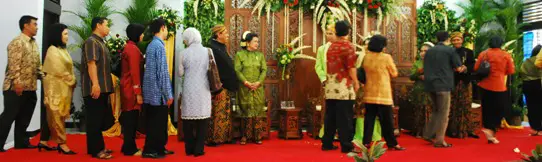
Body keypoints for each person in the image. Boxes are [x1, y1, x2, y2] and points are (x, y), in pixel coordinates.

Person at [0, 15, 41, 152]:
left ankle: (21, 142)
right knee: (9, 116)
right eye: (34, 24)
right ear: (26, 25)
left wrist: (46, 76)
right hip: (15, 88)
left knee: (25, 116)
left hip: (30, 87)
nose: (37, 27)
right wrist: (17, 83)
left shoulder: (33, 43)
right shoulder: (17, 42)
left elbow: (37, 66)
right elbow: (14, 65)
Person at [362, 35, 405, 151]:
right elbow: (394, 73)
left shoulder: (366, 57)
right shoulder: (386, 57)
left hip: (369, 93)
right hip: (383, 93)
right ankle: (392, 143)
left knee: (369, 120)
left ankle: (366, 142)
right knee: (387, 121)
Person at [320, 21, 358, 153]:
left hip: (330, 86)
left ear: (336, 32)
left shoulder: (331, 46)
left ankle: (327, 143)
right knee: (345, 118)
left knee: (330, 116)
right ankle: (346, 145)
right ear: (348, 31)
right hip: (343, 87)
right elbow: (351, 67)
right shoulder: (348, 46)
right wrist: (356, 82)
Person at [39, 23, 77, 155]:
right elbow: (60, 70)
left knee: (52, 116)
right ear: (58, 35)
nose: (67, 37)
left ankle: (43, 141)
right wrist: (72, 80)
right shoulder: (52, 51)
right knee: (56, 114)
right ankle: (62, 143)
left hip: (63, 87)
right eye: (65, 34)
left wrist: (72, 78)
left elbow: (69, 68)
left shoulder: (62, 49)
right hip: (54, 88)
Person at [423, 31, 464, 148]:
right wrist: (463, 68)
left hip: (430, 84)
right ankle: (440, 140)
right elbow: (458, 68)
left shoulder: (429, 51)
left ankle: (428, 134)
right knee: (444, 113)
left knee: (436, 110)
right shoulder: (450, 50)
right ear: (448, 40)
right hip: (443, 84)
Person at [81, 17, 114, 159]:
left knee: (99, 118)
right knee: (95, 119)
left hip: (103, 87)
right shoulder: (91, 42)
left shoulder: (101, 42)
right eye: (106, 25)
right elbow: (91, 63)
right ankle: (96, 150)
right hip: (94, 87)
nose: (108, 28)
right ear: (98, 25)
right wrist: (95, 84)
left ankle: (96, 146)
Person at [142, 18, 174, 159]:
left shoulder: (152, 45)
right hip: (157, 93)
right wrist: (168, 94)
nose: (167, 32)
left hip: (151, 91)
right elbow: (162, 73)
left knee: (158, 123)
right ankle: (150, 149)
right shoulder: (159, 46)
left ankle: (159, 148)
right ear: (162, 28)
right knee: (156, 123)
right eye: (166, 28)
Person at [474, 36, 515, 144]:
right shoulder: (506, 55)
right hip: (499, 85)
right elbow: (511, 70)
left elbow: (476, 68)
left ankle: (488, 129)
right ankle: (491, 130)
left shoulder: (483, 54)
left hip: (484, 85)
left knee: (487, 108)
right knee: (500, 108)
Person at [179, 28, 212, 157]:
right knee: (202, 119)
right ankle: (199, 149)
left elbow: (180, 73)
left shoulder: (183, 53)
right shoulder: (208, 51)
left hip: (189, 88)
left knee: (187, 119)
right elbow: (212, 69)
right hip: (204, 87)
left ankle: (189, 149)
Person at [207, 24, 239, 146]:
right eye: (225, 33)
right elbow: (213, 70)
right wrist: (217, 88)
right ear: (218, 34)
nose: (227, 35)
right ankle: (215, 139)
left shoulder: (221, 47)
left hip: (227, 85)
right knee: (218, 113)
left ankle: (225, 137)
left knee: (226, 113)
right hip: (219, 87)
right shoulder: (212, 48)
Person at [234, 31, 267, 145]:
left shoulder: (260, 55)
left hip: (258, 88)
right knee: (245, 111)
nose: (257, 43)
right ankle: (244, 136)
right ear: (248, 43)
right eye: (255, 41)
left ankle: (257, 136)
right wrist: (246, 82)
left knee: (257, 111)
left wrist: (258, 82)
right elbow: (237, 70)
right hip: (245, 88)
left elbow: (264, 70)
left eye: (258, 41)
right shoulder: (240, 55)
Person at [120, 23, 145, 156]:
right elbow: (135, 73)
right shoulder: (133, 50)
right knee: (131, 119)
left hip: (126, 87)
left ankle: (127, 146)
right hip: (130, 88)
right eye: (141, 33)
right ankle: (130, 148)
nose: (143, 36)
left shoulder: (129, 47)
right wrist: (138, 93)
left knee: (129, 118)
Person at [448, 32, 477, 138]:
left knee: (465, 105)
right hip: (453, 82)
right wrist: (453, 69)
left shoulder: (468, 52)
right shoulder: (449, 52)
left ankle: (466, 129)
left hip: (465, 82)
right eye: (454, 40)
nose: (456, 42)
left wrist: (466, 68)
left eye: (458, 40)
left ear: (462, 40)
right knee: (454, 105)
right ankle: (453, 130)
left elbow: (473, 65)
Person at [409, 42, 434, 138]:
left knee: (431, 110)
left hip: (431, 89)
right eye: (421, 51)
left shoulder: (435, 62)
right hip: (419, 90)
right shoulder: (417, 63)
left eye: (425, 51)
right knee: (419, 110)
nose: (423, 53)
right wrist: (419, 74)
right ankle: (419, 131)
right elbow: (411, 77)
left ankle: (430, 132)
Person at [525, 45, 542, 136]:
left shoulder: (527, 61)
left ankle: (534, 128)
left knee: (531, 107)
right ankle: (540, 129)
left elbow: (521, 72)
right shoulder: (539, 60)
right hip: (538, 84)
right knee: (539, 106)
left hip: (528, 85)